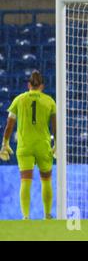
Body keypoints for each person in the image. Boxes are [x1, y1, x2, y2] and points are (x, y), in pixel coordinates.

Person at [0, 70, 56, 220]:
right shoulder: (49, 101)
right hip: (43, 145)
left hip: (24, 146)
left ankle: (25, 216)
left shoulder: (19, 99)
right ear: (42, 86)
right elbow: (55, 125)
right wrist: (56, 143)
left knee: (25, 180)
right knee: (46, 179)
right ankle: (47, 214)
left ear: (28, 85)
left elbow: (9, 125)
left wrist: (4, 143)